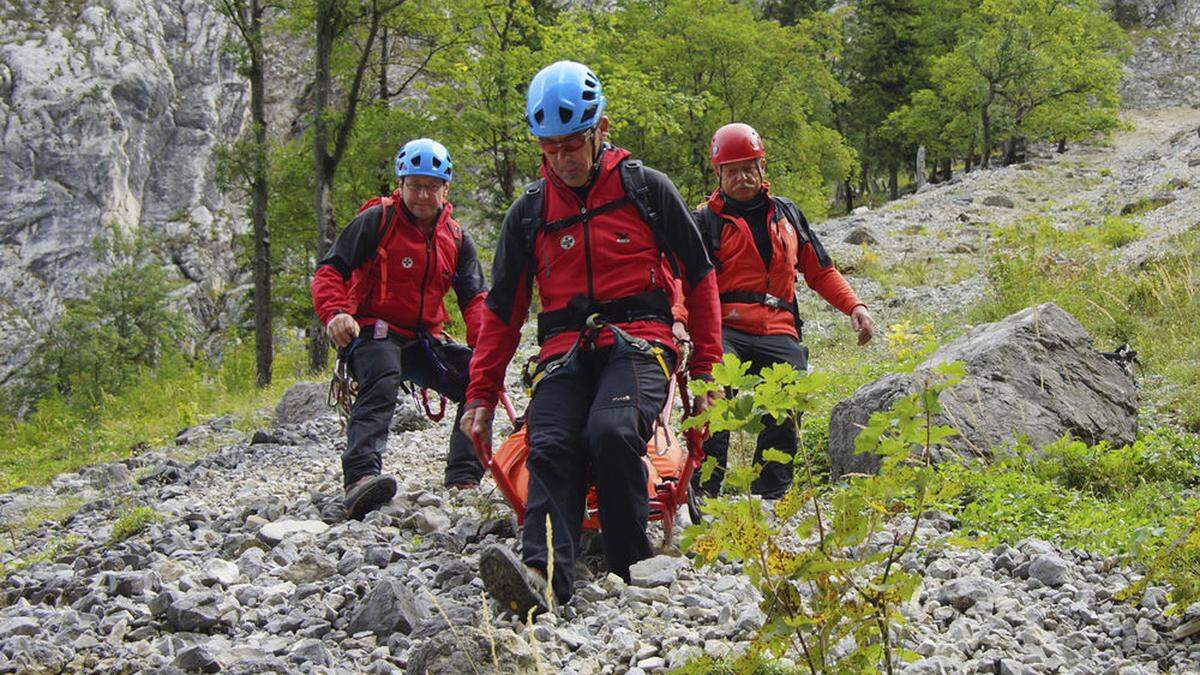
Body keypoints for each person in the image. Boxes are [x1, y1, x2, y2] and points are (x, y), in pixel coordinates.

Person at [460, 61, 722, 616]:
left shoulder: (646, 189)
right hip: (562, 352)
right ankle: (544, 575)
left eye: (573, 144)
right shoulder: (528, 213)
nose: (564, 160)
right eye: (551, 149)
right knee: (550, 443)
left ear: (599, 130)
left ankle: (633, 563)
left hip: (640, 340)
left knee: (612, 428)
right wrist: (480, 394)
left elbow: (699, 280)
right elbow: (502, 313)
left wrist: (708, 375)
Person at [694, 122, 875, 499]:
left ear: (762, 169)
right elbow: (686, 281)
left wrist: (854, 306)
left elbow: (820, 270)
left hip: (778, 325)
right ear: (718, 174)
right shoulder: (704, 222)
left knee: (790, 393)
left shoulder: (787, 215)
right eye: (732, 170)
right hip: (724, 326)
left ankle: (771, 493)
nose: (742, 177)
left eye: (749, 168)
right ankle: (703, 491)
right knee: (714, 393)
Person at [311, 138, 487, 520]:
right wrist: (335, 313)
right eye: (414, 185)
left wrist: (487, 347)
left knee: (478, 379)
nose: (422, 194)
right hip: (373, 330)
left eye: (431, 186)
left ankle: (463, 476)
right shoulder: (377, 221)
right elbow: (330, 270)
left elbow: (475, 299)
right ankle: (360, 477)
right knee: (384, 374)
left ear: (446, 189)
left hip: (423, 339)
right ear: (402, 184)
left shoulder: (456, 239)